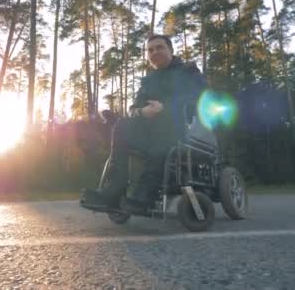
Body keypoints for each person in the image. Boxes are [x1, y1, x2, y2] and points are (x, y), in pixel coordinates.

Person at [80, 34, 207, 213]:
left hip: (179, 130)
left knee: (163, 129)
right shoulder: (148, 81)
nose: (154, 52)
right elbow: (133, 109)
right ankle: (113, 192)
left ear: (171, 50)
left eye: (159, 47)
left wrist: (165, 107)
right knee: (122, 126)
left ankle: (144, 197)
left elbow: (199, 97)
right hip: (148, 131)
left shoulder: (188, 71)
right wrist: (141, 112)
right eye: (150, 50)